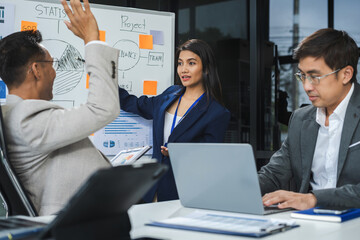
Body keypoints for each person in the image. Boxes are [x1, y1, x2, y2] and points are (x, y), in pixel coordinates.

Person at [0, 0, 120, 215]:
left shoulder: (14, 116)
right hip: (71, 225)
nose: (55, 72)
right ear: (36, 70)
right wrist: (92, 40)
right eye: (52, 64)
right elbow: (102, 108)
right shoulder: (26, 120)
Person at [259, 28, 360, 210]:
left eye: (315, 77)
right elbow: (274, 174)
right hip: (307, 222)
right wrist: (235, 189)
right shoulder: (300, 119)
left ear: (346, 74)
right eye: (303, 76)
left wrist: (313, 199)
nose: (306, 86)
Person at [119, 39, 230, 202]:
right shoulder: (169, 95)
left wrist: (179, 154)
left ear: (206, 68)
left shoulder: (217, 113)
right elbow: (134, 104)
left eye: (191, 63)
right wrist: (105, 80)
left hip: (183, 193)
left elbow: (209, 159)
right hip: (151, 190)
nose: (183, 69)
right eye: (180, 63)